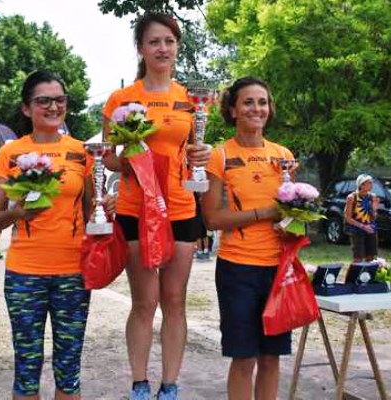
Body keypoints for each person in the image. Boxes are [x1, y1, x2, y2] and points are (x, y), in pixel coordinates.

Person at [102, 12, 211, 400]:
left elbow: (192, 150)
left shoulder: (190, 99)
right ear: (141, 48)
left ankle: (170, 385)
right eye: (154, 42)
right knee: (144, 301)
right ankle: (139, 383)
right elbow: (108, 158)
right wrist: (128, 157)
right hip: (136, 208)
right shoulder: (122, 99)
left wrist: (201, 154)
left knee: (175, 300)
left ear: (177, 46)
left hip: (180, 209)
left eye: (169, 41)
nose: (162, 48)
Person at [0, 70, 110, 400]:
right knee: (27, 371)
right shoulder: (10, 153)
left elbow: (91, 213)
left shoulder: (83, 152)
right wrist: (17, 213)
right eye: (43, 100)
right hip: (25, 274)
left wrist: (106, 212)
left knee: (69, 371)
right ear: (27, 108)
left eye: (60, 100)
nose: (53, 106)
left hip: (73, 272)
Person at [201, 77, 295, 400]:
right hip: (238, 269)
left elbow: (292, 214)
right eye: (248, 102)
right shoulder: (220, 155)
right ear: (232, 109)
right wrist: (263, 214)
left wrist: (292, 224)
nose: (257, 109)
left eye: (263, 102)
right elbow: (212, 218)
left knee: (271, 358)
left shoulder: (283, 156)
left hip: (277, 269)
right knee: (245, 358)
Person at [344, 174, 380, 262]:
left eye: (371, 183)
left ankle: (369, 274)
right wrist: (363, 227)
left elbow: (373, 217)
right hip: (357, 231)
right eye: (369, 183)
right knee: (358, 258)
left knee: (370, 257)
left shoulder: (372, 197)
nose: (371, 185)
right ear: (361, 185)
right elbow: (347, 217)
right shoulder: (352, 198)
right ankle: (356, 275)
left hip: (371, 229)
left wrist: (375, 209)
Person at [194, 193, 210, 261]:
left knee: (199, 235)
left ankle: (200, 251)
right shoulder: (203, 193)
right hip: (203, 215)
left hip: (197, 215)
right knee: (204, 234)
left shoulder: (194, 193)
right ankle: (206, 251)